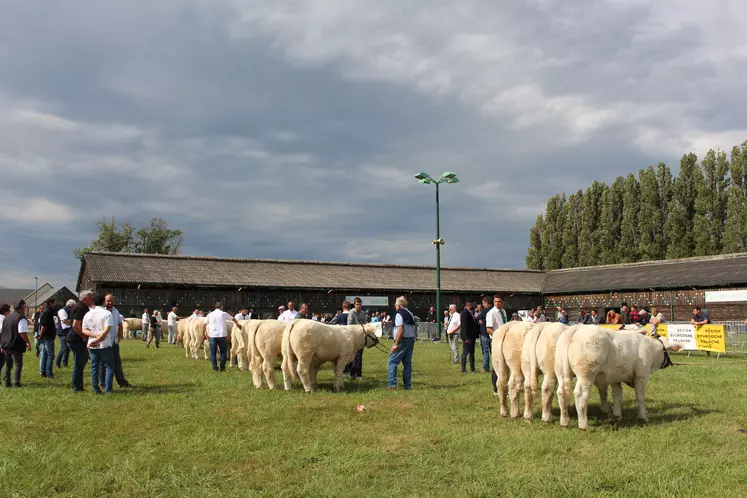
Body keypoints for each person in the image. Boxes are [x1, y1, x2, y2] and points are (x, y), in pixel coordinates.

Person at [82, 294, 114, 394]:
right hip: (105, 344)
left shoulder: (88, 314)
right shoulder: (107, 314)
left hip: (92, 344)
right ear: (104, 302)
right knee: (109, 367)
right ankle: (108, 389)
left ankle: (96, 389)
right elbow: (106, 330)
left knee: (94, 367)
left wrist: (94, 337)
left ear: (93, 303)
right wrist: (99, 339)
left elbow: (84, 330)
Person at [101, 294, 133, 389]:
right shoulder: (102, 311)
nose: (110, 303)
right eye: (108, 301)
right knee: (103, 364)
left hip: (114, 342)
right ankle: (103, 384)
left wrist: (120, 336)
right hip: (105, 342)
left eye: (111, 300)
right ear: (104, 301)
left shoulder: (115, 310)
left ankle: (122, 383)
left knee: (117, 363)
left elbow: (120, 323)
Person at [203, 302, 243, 372]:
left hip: (213, 336)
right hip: (222, 336)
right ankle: (222, 367)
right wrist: (238, 324)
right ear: (221, 307)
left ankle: (215, 367)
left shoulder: (210, 314)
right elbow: (233, 318)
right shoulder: (223, 313)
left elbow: (204, 324)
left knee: (213, 353)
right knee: (223, 352)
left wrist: (204, 334)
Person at [1, 300, 31, 387]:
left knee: (8, 364)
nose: (25, 308)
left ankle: (7, 382)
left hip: (6, 344)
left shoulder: (7, 317)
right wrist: (28, 342)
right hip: (15, 344)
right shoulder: (21, 317)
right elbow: (22, 332)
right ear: (22, 307)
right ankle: (16, 383)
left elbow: (3, 331)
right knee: (18, 364)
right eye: (24, 306)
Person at [387, 296, 415, 390]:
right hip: (410, 340)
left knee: (392, 361)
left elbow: (400, 329)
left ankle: (392, 384)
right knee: (407, 363)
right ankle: (407, 385)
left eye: (395, 305)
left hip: (402, 341)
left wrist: (395, 344)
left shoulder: (399, 314)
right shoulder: (410, 313)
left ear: (398, 305)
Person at [67, 290, 93, 392]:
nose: (92, 300)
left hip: (73, 338)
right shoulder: (81, 308)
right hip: (76, 339)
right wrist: (83, 336)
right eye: (91, 298)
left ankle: (78, 386)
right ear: (86, 298)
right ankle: (76, 387)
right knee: (79, 364)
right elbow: (75, 325)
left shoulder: (77, 306)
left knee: (81, 363)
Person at [486, 294, 508, 394]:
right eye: (495, 301)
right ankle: (496, 389)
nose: (497, 303)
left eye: (499, 301)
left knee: (505, 364)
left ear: (503, 302)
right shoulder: (491, 313)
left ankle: (504, 386)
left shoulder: (503, 312)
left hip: (505, 341)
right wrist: (498, 336)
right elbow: (489, 329)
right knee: (496, 365)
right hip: (495, 340)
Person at [346, 297, 367, 378]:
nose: (359, 306)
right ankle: (352, 373)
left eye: (360, 304)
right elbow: (349, 325)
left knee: (359, 356)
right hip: (353, 337)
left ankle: (358, 374)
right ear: (354, 305)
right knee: (353, 356)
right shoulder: (351, 313)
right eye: (357, 304)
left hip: (361, 337)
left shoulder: (363, 313)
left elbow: (365, 323)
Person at [38, 298, 57, 379]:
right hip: (47, 337)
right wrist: (41, 336)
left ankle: (43, 371)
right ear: (50, 303)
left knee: (45, 354)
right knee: (50, 355)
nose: (55, 305)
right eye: (54, 303)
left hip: (46, 336)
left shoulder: (47, 311)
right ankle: (48, 373)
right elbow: (44, 326)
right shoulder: (47, 312)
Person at [460, 301, 479, 373]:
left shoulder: (471, 313)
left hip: (472, 336)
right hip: (467, 337)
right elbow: (464, 326)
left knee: (471, 353)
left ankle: (472, 368)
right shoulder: (465, 313)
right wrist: (467, 337)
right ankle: (463, 369)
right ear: (469, 305)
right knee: (465, 352)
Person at [55, 299, 75, 368]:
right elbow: (64, 321)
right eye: (73, 306)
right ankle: (57, 363)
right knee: (63, 348)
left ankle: (65, 363)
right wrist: (73, 323)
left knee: (67, 349)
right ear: (70, 305)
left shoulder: (70, 311)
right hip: (62, 332)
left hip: (68, 331)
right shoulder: (62, 311)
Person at [476, 296, 493, 373]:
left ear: (486, 303)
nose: (483, 304)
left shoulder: (485, 310)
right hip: (493, 334)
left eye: (483, 303)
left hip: (485, 334)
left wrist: (481, 319)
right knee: (494, 352)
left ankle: (485, 368)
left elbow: (478, 317)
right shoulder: (494, 310)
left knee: (485, 352)